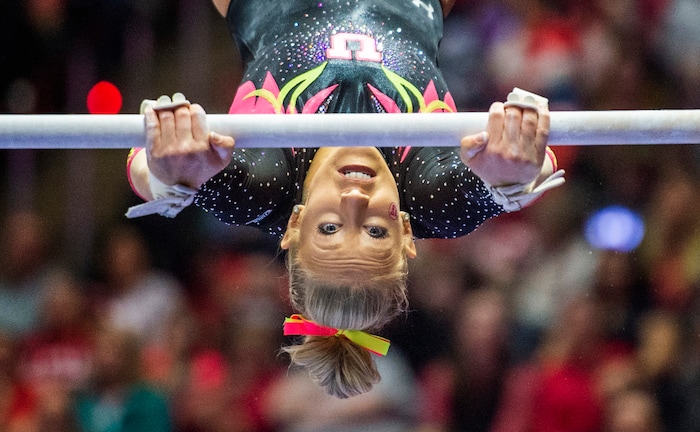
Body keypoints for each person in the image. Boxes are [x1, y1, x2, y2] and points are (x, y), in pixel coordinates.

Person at [125, 0, 564, 398]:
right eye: (375, 231)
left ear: (294, 225)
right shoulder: (436, 199)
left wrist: (167, 172)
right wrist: (519, 169)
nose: (355, 199)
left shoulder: (262, 191)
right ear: (406, 233)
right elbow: (523, 176)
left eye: (330, 228)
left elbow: (149, 171)